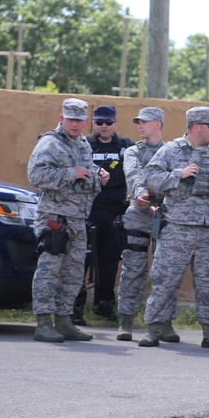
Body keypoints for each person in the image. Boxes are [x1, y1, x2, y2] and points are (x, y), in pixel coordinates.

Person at [138, 106, 209, 349]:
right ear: (197, 126)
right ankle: (153, 328)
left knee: (208, 282)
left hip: (208, 230)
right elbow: (149, 178)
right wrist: (178, 174)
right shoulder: (171, 150)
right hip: (177, 227)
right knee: (165, 280)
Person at [28, 98, 108, 342]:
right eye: (70, 119)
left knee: (73, 274)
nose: (75, 124)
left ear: (86, 122)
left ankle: (64, 321)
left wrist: (97, 174)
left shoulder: (82, 143)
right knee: (49, 272)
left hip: (78, 219)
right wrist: (69, 173)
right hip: (55, 219)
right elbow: (36, 174)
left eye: (79, 120)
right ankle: (43, 324)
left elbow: (84, 168)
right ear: (62, 118)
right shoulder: (50, 143)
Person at [73, 104, 133, 322]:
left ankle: (104, 308)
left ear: (115, 123)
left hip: (114, 214)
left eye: (108, 122)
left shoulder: (127, 146)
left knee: (109, 261)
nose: (104, 126)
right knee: (81, 260)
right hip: (88, 211)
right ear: (93, 124)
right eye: (99, 122)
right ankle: (75, 310)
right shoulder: (84, 145)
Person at [114, 106, 165, 341]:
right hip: (138, 213)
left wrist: (157, 200)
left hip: (164, 216)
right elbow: (133, 174)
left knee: (165, 271)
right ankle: (126, 321)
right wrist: (142, 195)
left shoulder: (171, 151)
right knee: (133, 269)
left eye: (144, 121)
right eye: (138, 122)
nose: (139, 126)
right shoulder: (133, 150)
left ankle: (163, 322)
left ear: (158, 124)